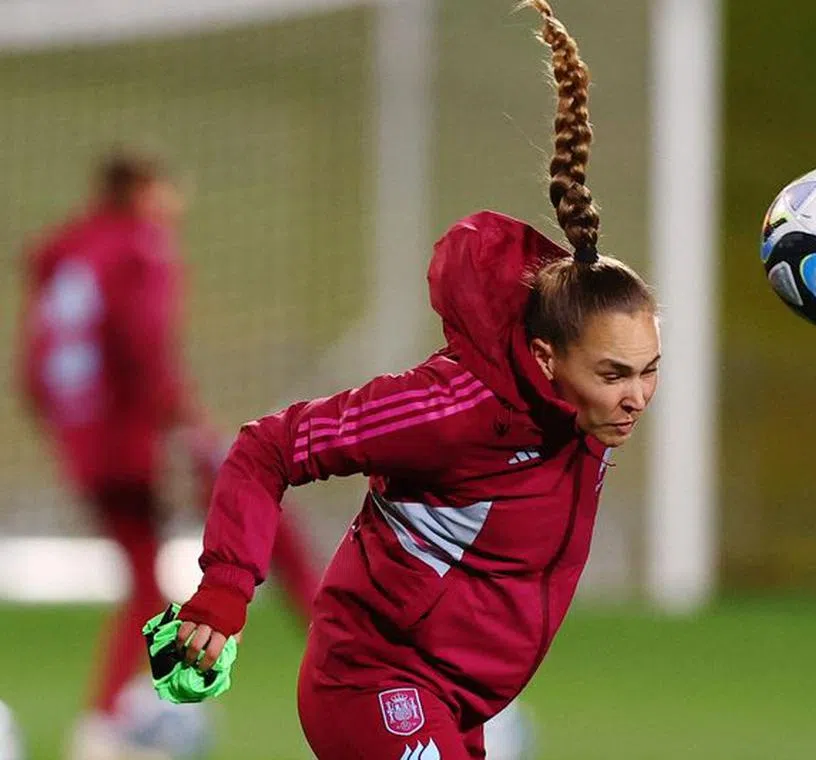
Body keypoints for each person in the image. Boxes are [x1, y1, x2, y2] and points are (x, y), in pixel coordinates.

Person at [171, 1, 661, 758]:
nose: (636, 396)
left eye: (649, 371)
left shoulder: (582, 413)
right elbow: (270, 447)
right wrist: (225, 591)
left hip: (459, 702)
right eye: (613, 373)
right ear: (542, 361)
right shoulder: (451, 407)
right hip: (374, 681)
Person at [14, 147, 324, 759]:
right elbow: (142, 341)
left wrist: (76, 436)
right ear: (143, 191)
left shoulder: (70, 254)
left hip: (86, 442)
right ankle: (360, 664)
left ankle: (103, 726)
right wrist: (178, 429)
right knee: (268, 518)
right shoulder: (141, 247)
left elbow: (31, 375)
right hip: (140, 434)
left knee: (142, 578)